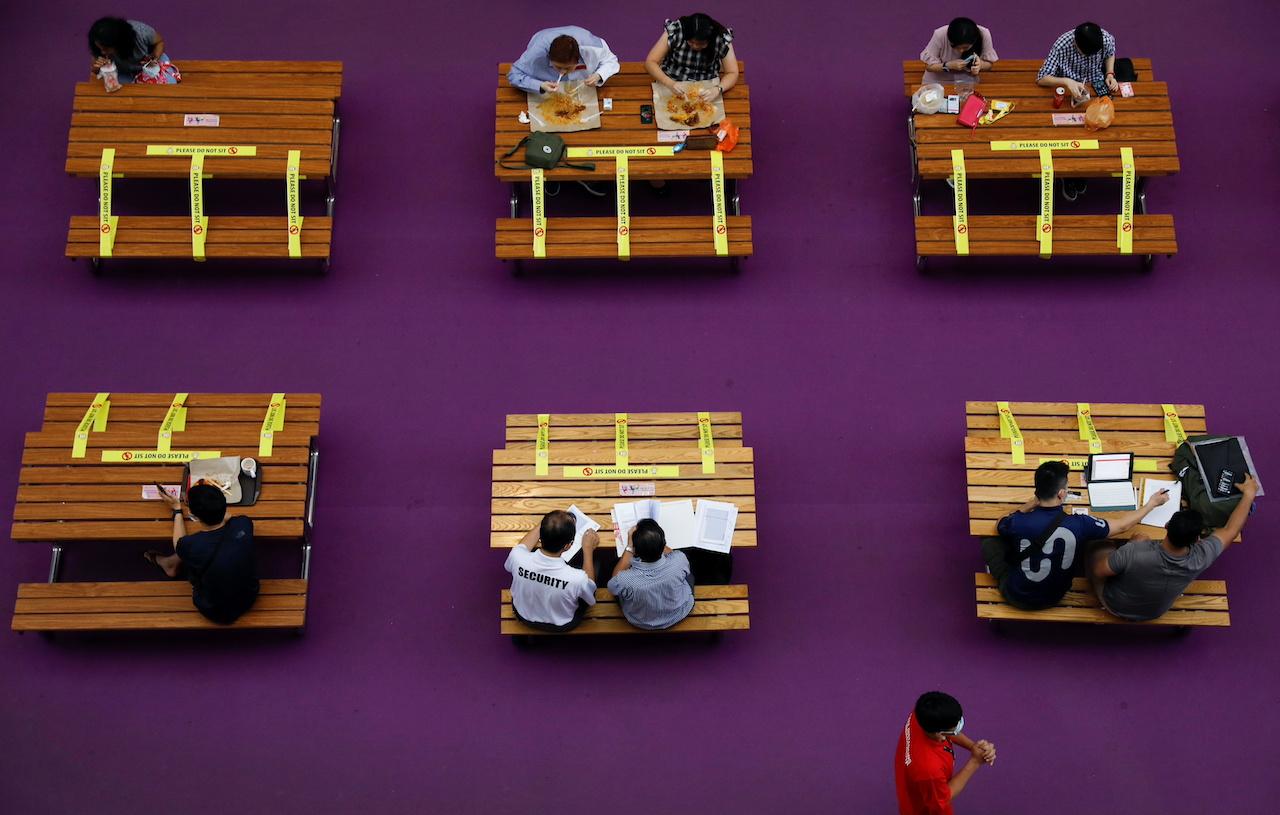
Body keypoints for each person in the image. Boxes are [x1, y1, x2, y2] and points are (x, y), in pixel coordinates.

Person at [983, 460, 1169, 610]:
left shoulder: (1018, 522)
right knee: (1094, 542)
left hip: (1017, 596)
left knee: (990, 540)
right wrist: (1151, 503)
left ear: (1037, 491)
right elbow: (1122, 526)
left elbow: (1000, 523)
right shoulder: (1080, 523)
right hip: (1055, 596)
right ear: (1062, 494)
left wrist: (1029, 505)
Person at [1090, 474, 1258, 622]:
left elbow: (1099, 571)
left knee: (1098, 542)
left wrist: (1131, 545)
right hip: (1155, 612)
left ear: (1167, 525)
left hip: (1114, 604)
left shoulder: (1135, 552)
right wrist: (1249, 495)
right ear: (1198, 540)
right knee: (1141, 540)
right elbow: (1231, 529)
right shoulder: (1202, 556)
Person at [146, 484, 260, 625]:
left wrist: (177, 509)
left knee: (189, 552)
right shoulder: (244, 524)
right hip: (248, 596)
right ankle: (171, 563)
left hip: (215, 610)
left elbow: (178, 544)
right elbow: (229, 517)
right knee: (198, 553)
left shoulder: (191, 544)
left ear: (193, 516)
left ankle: (170, 565)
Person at [1036, 22, 1116, 201]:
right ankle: (1069, 174)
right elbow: (1041, 78)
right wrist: (1066, 82)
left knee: (1101, 134)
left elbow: (1111, 53)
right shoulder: (1062, 44)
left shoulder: (1105, 38)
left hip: (1094, 86)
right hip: (1068, 91)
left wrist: (1110, 74)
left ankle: (1084, 170)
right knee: (1068, 137)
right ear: (1075, 43)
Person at [895, 692, 996, 815]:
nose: (958, 728)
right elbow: (943, 798)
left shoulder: (922, 713)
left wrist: (973, 746)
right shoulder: (929, 769)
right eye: (956, 728)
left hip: (915, 783)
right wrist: (975, 762)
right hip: (926, 805)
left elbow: (949, 730)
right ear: (939, 734)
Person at [504, 510, 602, 632]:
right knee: (596, 565)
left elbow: (522, 546)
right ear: (567, 546)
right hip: (561, 623)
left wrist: (550, 523)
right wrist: (587, 549)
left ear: (540, 536)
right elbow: (590, 597)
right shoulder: (577, 578)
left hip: (522, 614)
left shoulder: (517, 557)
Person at [607, 519, 695, 630]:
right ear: (663, 545)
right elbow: (673, 555)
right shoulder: (679, 559)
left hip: (641, 621)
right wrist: (654, 541)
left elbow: (612, 586)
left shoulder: (625, 580)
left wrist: (629, 547)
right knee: (688, 574)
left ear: (636, 551)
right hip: (679, 612)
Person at [644, 13, 739, 100]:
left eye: (701, 44)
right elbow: (650, 62)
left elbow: (732, 72)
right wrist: (669, 83)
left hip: (707, 87)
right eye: (691, 42)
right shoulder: (677, 31)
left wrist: (718, 89)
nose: (695, 46)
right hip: (672, 81)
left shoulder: (720, 37)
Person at [506, 26, 619, 95]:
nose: (562, 72)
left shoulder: (592, 46)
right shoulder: (535, 54)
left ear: (578, 59)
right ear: (549, 58)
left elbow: (611, 61)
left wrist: (599, 75)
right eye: (558, 67)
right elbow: (513, 75)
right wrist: (540, 85)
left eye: (568, 68)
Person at [88, 17, 171, 84]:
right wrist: (98, 67)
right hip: (125, 72)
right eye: (100, 49)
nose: (102, 52)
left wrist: (154, 57)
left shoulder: (141, 32)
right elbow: (95, 70)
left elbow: (159, 42)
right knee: (119, 96)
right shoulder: (99, 45)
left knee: (169, 86)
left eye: (106, 49)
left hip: (151, 66)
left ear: (118, 43)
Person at [919, 18, 998, 86]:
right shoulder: (940, 35)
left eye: (965, 47)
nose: (961, 51)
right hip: (937, 81)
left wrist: (981, 65)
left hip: (967, 82)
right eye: (954, 47)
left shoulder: (983, 34)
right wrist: (948, 66)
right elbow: (928, 67)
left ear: (974, 41)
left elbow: (989, 65)